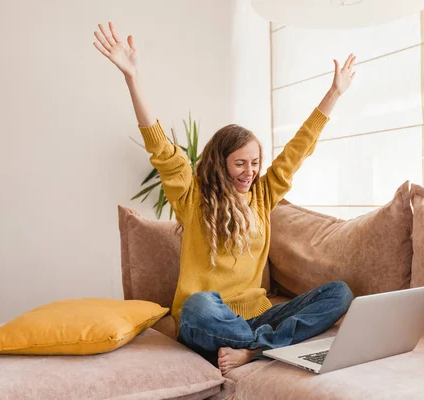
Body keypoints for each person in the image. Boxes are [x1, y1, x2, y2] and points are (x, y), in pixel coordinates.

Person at [93, 21, 356, 375]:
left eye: (255, 163)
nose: (250, 172)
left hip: (257, 313)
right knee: (198, 306)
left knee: (339, 294)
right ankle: (266, 347)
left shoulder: (263, 194)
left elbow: (299, 148)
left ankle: (252, 349)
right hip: (207, 319)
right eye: (240, 164)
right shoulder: (193, 198)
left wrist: (334, 93)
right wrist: (132, 78)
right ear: (221, 162)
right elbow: (162, 152)